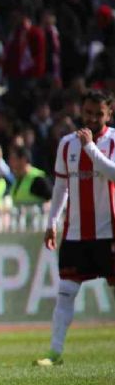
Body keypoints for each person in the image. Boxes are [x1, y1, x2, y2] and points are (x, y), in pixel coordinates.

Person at [37, 91, 115, 367]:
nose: (92, 118)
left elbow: (113, 174)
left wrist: (91, 148)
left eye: (99, 114)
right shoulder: (67, 144)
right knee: (66, 291)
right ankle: (55, 352)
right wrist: (52, 223)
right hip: (75, 233)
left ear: (109, 113)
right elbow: (60, 187)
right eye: (88, 113)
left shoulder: (113, 140)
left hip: (109, 233)